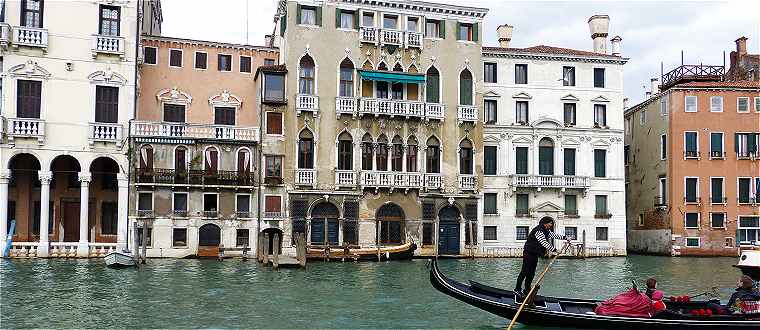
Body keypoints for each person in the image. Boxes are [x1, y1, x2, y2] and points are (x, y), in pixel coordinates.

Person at [514, 217, 570, 295]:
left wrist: (565, 237)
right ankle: (517, 289)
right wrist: (555, 250)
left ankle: (527, 289)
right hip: (528, 253)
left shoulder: (546, 230)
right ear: (545, 223)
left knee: (531, 273)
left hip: (535, 254)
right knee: (524, 271)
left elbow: (554, 235)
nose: (551, 225)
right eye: (550, 223)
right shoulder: (538, 231)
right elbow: (544, 242)